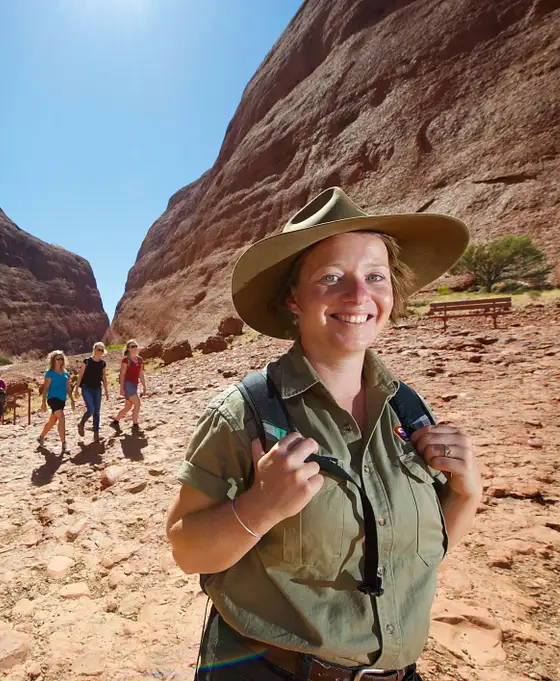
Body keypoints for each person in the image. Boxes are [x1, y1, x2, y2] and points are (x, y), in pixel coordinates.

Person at [165, 187, 482, 681]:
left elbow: (416, 558)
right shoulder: (243, 414)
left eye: (374, 276)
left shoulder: (409, 408)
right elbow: (186, 550)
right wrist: (260, 507)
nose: (358, 296)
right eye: (331, 278)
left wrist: (465, 497)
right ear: (294, 297)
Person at [37, 350, 72, 453]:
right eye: (58, 359)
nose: (60, 361)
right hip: (52, 399)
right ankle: (64, 443)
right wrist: (43, 402)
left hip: (62, 400)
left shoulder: (65, 373)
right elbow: (45, 388)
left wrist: (72, 400)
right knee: (61, 417)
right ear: (53, 360)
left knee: (52, 421)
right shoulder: (50, 373)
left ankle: (41, 437)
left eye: (62, 359)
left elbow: (67, 387)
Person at [75, 342, 110, 440]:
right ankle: (81, 424)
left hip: (97, 388)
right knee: (91, 409)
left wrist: (106, 391)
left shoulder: (103, 363)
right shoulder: (87, 361)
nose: (100, 352)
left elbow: (104, 376)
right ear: (94, 350)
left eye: (102, 350)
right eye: (98, 349)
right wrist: (76, 388)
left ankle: (96, 433)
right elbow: (80, 375)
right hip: (86, 388)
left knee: (97, 412)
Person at [111, 340, 146, 434]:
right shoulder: (126, 360)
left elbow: (141, 374)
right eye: (132, 346)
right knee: (137, 404)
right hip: (128, 384)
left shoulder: (139, 359)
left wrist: (144, 386)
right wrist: (121, 388)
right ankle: (135, 425)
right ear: (128, 349)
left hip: (134, 385)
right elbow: (122, 374)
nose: (134, 348)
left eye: (135, 346)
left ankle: (115, 421)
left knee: (128, 407)